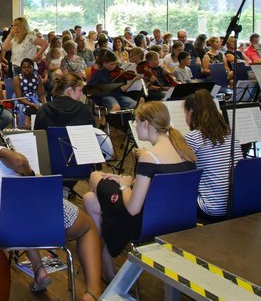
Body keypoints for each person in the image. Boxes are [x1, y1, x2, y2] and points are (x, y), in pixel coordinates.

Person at [0, 146, 102, 300]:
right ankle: (92, 292)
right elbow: (19, 161)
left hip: (7, 227)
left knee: (22, 223)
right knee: (87, 229)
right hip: (40, 207)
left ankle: (39, 270)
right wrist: (30, 174)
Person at [83, 101, 196, 281]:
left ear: (146, 124)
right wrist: (131, 181)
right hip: (174, 219)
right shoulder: (185, 151)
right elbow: (162, 186)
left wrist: (125, 184)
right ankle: (104, 259)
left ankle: (103, 258)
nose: (135, 125)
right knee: (91, 200)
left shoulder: (149, 156)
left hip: (144, 223)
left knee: (95, 176)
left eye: (136, 121)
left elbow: (133, 209)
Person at [183, 90, 242, 219]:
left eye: (185, 113)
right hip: (236, 203)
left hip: (212, 207)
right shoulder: (229, 133)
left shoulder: (193, 137)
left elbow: (178, 169)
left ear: (191, 112)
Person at [13, 58, 46, 129]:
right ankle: (24, 126)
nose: (26, 69)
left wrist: (44, 104)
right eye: (24, 67)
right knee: (25, 108)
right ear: (21, 69)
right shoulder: (17, 79)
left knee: (43, 109)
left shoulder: (37, 77)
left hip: (34, 98)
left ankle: (38, 127)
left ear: (33, 67)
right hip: (21, 100)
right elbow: (19, 98)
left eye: (29, 67)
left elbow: (41, 94)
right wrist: (33, 105)